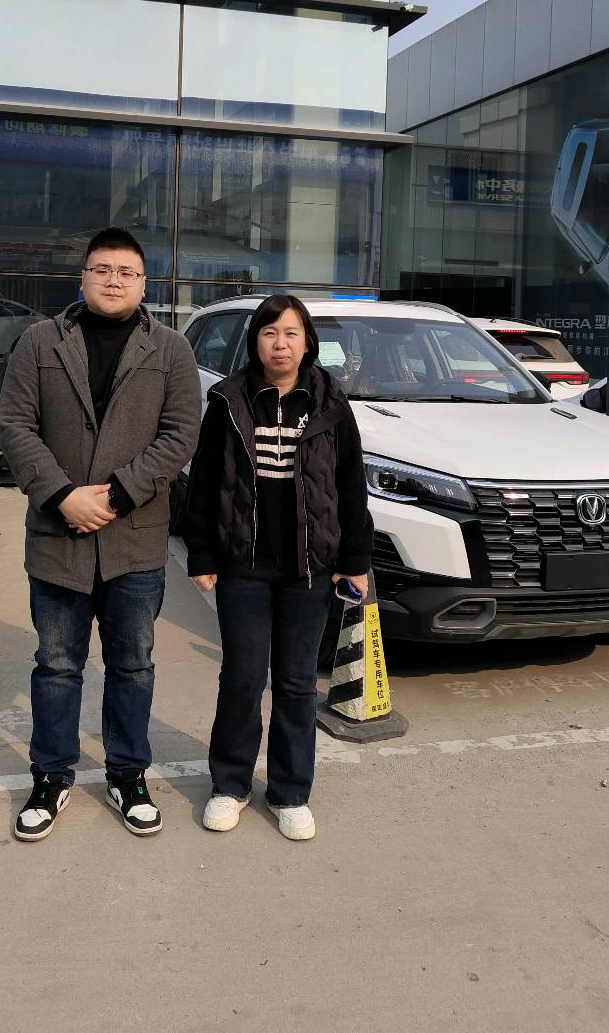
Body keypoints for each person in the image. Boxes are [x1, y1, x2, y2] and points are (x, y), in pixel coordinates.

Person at [0, 228, 201, 841]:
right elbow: (14, 423)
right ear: (83, 276)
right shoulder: (40, 342)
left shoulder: (170, 350)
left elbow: (180, 435)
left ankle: (127, 774)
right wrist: (63, 495)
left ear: (144, 283)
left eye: (126, 272)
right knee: (57, 665)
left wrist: (114, 494)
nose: (114, 280)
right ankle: (51, 775)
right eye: (103, 269)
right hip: (57, 536)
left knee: (132, 665)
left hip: (134, 539)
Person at [183, 293, 373, 841]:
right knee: (242, 677)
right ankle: (230, 784)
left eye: (291, 333)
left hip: (308, 569)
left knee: (295, 683)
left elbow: (350, 485)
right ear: (256, 341)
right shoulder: (229, 400)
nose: (280, 344)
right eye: (269, 333)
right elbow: (204, 482)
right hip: (243, 565)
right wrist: (203, 552)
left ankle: (291, 792)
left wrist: (354, 560)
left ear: (308, 341)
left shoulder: (331, 403)